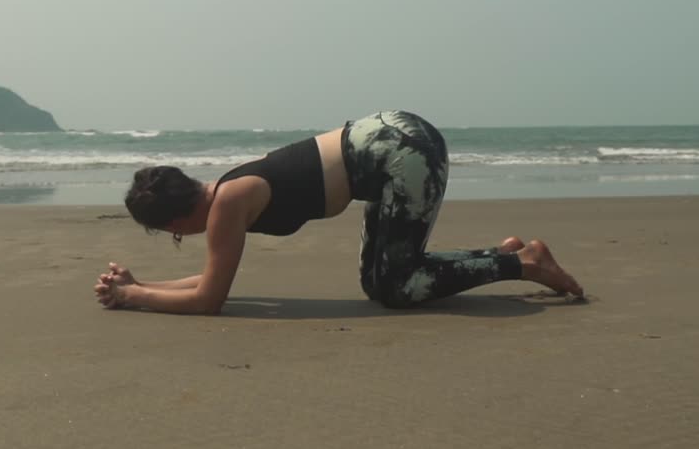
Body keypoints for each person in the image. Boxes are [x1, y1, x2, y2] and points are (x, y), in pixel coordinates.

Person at [95, 110, 583, 315]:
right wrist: (142, 285)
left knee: (395, 287)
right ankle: (505, 254)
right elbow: (210, 281)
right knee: (379, 283)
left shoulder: (228, 202)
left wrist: (133, 295)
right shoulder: (225, 193)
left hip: (400, 152)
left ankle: (524, 264)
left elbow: (209, 299)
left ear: (175, 223)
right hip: (385, 150)